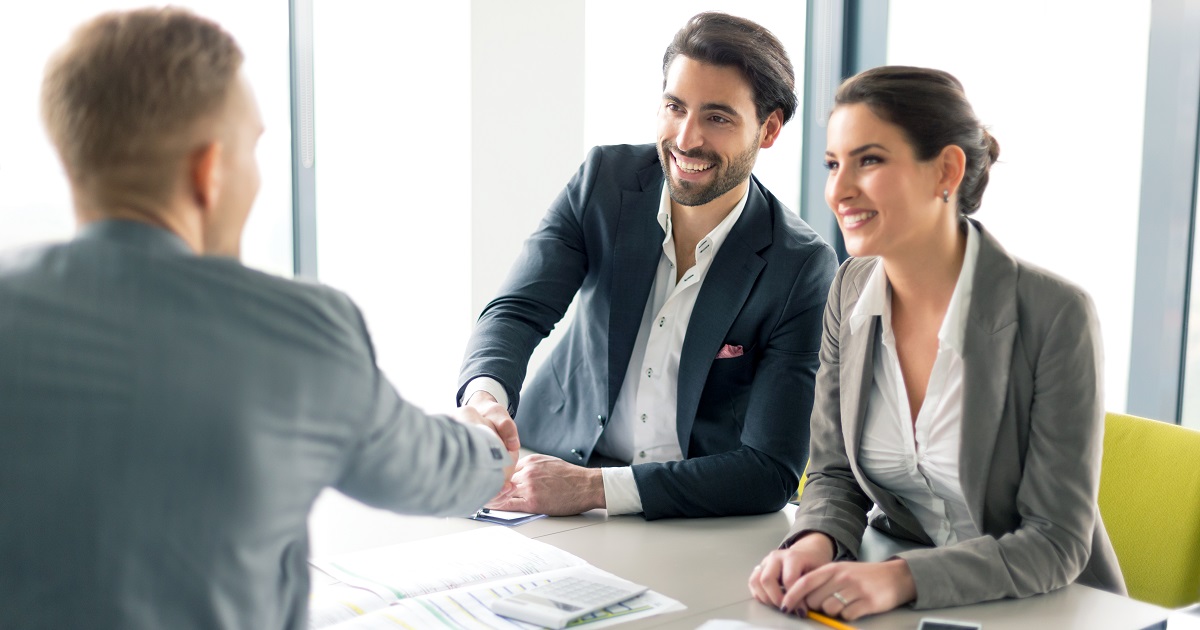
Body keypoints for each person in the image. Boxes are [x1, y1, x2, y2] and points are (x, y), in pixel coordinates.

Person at [0, 8, 517, 629]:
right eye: (253, 148)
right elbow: (429, 472)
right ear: (208, 171)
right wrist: (488, 444)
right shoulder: (300, 330)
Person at [747, 66, 1126, 620]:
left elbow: (1056, 541)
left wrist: (899, 580)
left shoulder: (1055, 315)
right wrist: (816, 541)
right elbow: (833, 473)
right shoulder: (849, 290)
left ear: (946, 170)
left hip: (1042, 607)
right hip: (900, 604)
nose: (839, 190)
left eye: (869, 160)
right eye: (833, 164)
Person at [458, 12, 837, 520]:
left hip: (685, 509)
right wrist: (485, 396)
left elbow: (770, 470)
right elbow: (517, 310)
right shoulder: (603, 182)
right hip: (546, 467)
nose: (686, 138)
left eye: (717, 117)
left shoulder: (800, 266)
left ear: (768, 129)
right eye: (674, 107)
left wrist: (595, 489)